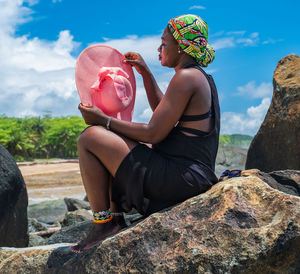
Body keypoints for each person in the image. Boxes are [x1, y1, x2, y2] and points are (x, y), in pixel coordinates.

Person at [71, 14, 220, 253]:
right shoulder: (198, 76)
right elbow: (164, 113)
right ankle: (115, 218)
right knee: (120, 140)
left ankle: (105, 224)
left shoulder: (186, 77)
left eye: (164, 42)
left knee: (90, 137)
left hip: (181, 179)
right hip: (192, 176)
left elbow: (153, 133)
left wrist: (103, 120)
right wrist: (146, 73)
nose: (159, 48)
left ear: (181, 45)